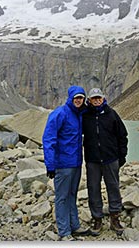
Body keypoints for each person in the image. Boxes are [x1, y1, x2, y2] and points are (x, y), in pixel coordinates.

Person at [42, 85, 89, 241]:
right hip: (62, 164)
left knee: (72, 195)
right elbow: (49, 139)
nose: (78, 100)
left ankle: (74, 225)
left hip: (76, 163)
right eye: (76, 98)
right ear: (70, 98)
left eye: (81, 98)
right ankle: (64, 231)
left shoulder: (80, 114)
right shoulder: (60, 113)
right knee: (62, 197)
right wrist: (50, 165)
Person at [82, 87, 128, 236]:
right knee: (93, 189)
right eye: (94, 98)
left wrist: (122, 156)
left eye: (99, 98)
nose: (96, 101)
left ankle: (115, 218)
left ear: (103, 98)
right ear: (89, 100)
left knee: (113, 187)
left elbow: (122, 135)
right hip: (93, 160)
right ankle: (97, 218)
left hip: (110, 159)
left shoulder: (111, 114)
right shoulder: (85, 116)